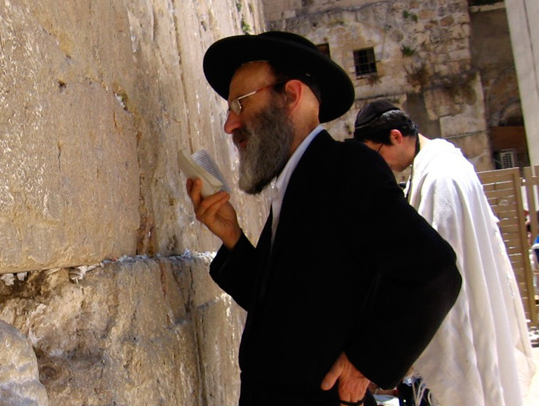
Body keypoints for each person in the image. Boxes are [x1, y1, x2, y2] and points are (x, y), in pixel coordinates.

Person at [188, 31, 461, 406]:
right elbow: (285, 308)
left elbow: (436, 271)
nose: (230, 125)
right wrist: (233, 237)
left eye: (240, 104)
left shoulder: (345, 168)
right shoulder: (298, 180)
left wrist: (364, 363)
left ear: (292, 95)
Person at [353, 100, 536, 406]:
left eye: (377, 154)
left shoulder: (441, 180)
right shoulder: (449, 163)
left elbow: (435, 281)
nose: (379, 165)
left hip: (462, 335)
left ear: (396, 137)